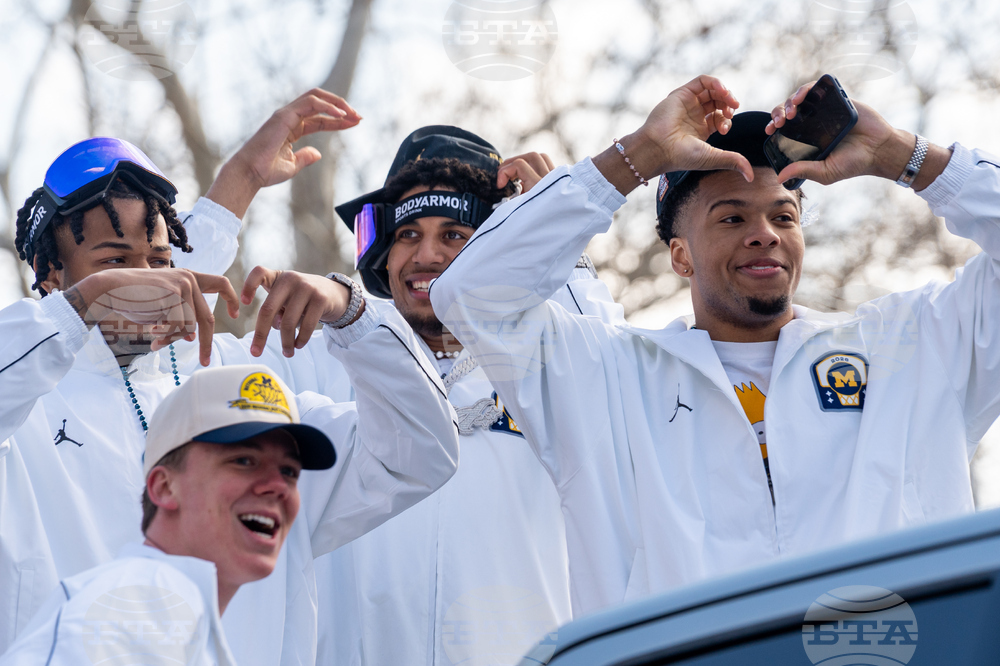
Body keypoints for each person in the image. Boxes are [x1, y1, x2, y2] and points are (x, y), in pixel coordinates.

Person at [430, 74, 1000, 616]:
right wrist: (636, 158)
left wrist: (904, 156)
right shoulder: (603, 378)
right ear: (680, 255)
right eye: (731, 217)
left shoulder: (911, 350)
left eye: (784, 215)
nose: (765, 233)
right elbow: (471, 293)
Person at [0, 89, 461, 660]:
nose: (148, 281)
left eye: (161, 262)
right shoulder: (24, 400)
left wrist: (354, 313)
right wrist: (79, 309)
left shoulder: (240, 385)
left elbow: (422, 451)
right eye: (112, 264)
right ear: (50, 274)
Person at [306, 126, 623, 666]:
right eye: (407, 235)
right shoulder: (322, 358)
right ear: (382, 251)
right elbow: (167, 376)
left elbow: (617, 384)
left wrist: (560, 237)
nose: (425, 255)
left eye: (455, 234)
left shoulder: (555, 363)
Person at [0, 364, 337, 666]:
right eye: (244, 461)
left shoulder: (171, 622)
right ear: (163, 487)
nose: (277, 486)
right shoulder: (117, 622)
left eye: (290, 472)